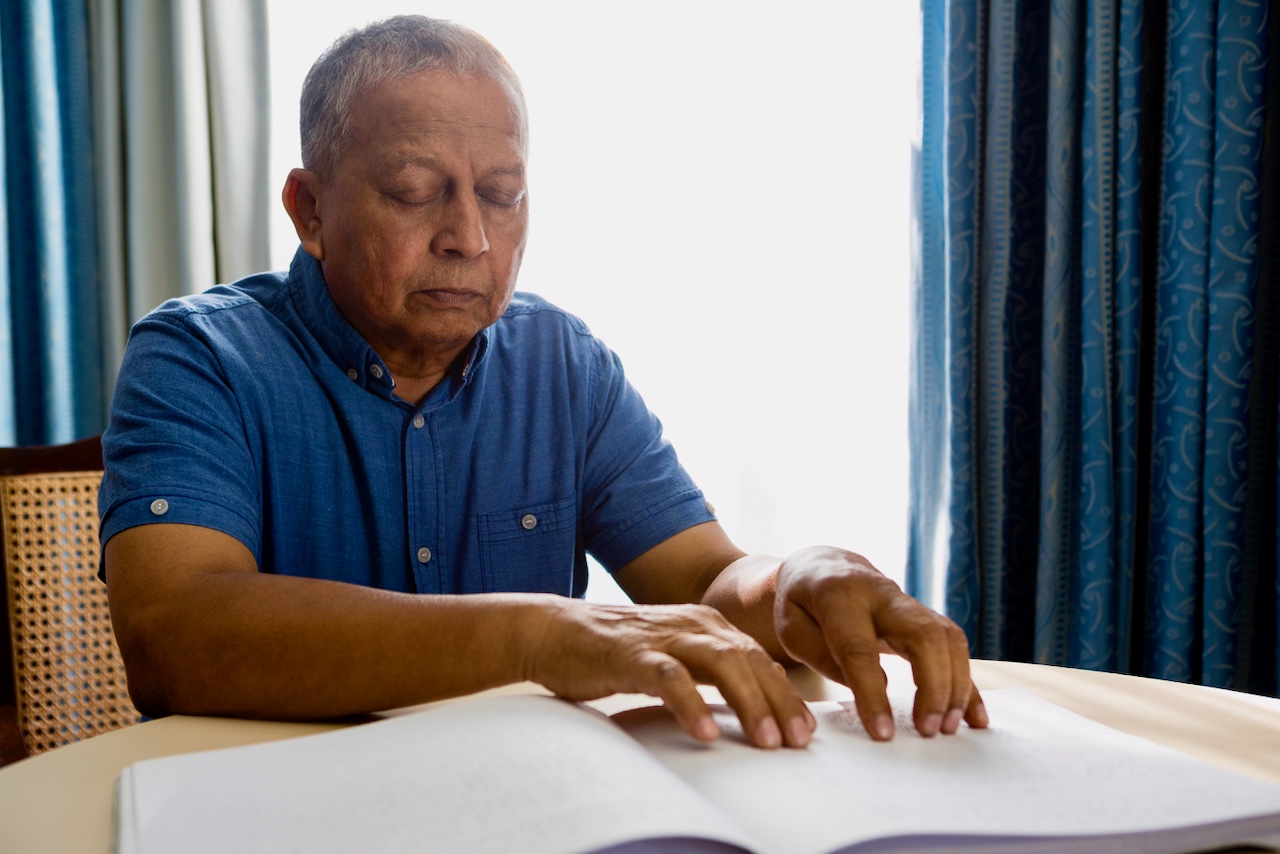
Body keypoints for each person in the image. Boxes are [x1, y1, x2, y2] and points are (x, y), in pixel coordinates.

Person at [99, 15, 986, 750]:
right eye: (416, 191)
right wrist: (538, 635)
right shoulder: (200, 359)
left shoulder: (561, 362)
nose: (471, 239)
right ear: (310, 211)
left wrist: (801, 577)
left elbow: (705, 579)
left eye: (502, 193)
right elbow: (175, 632)